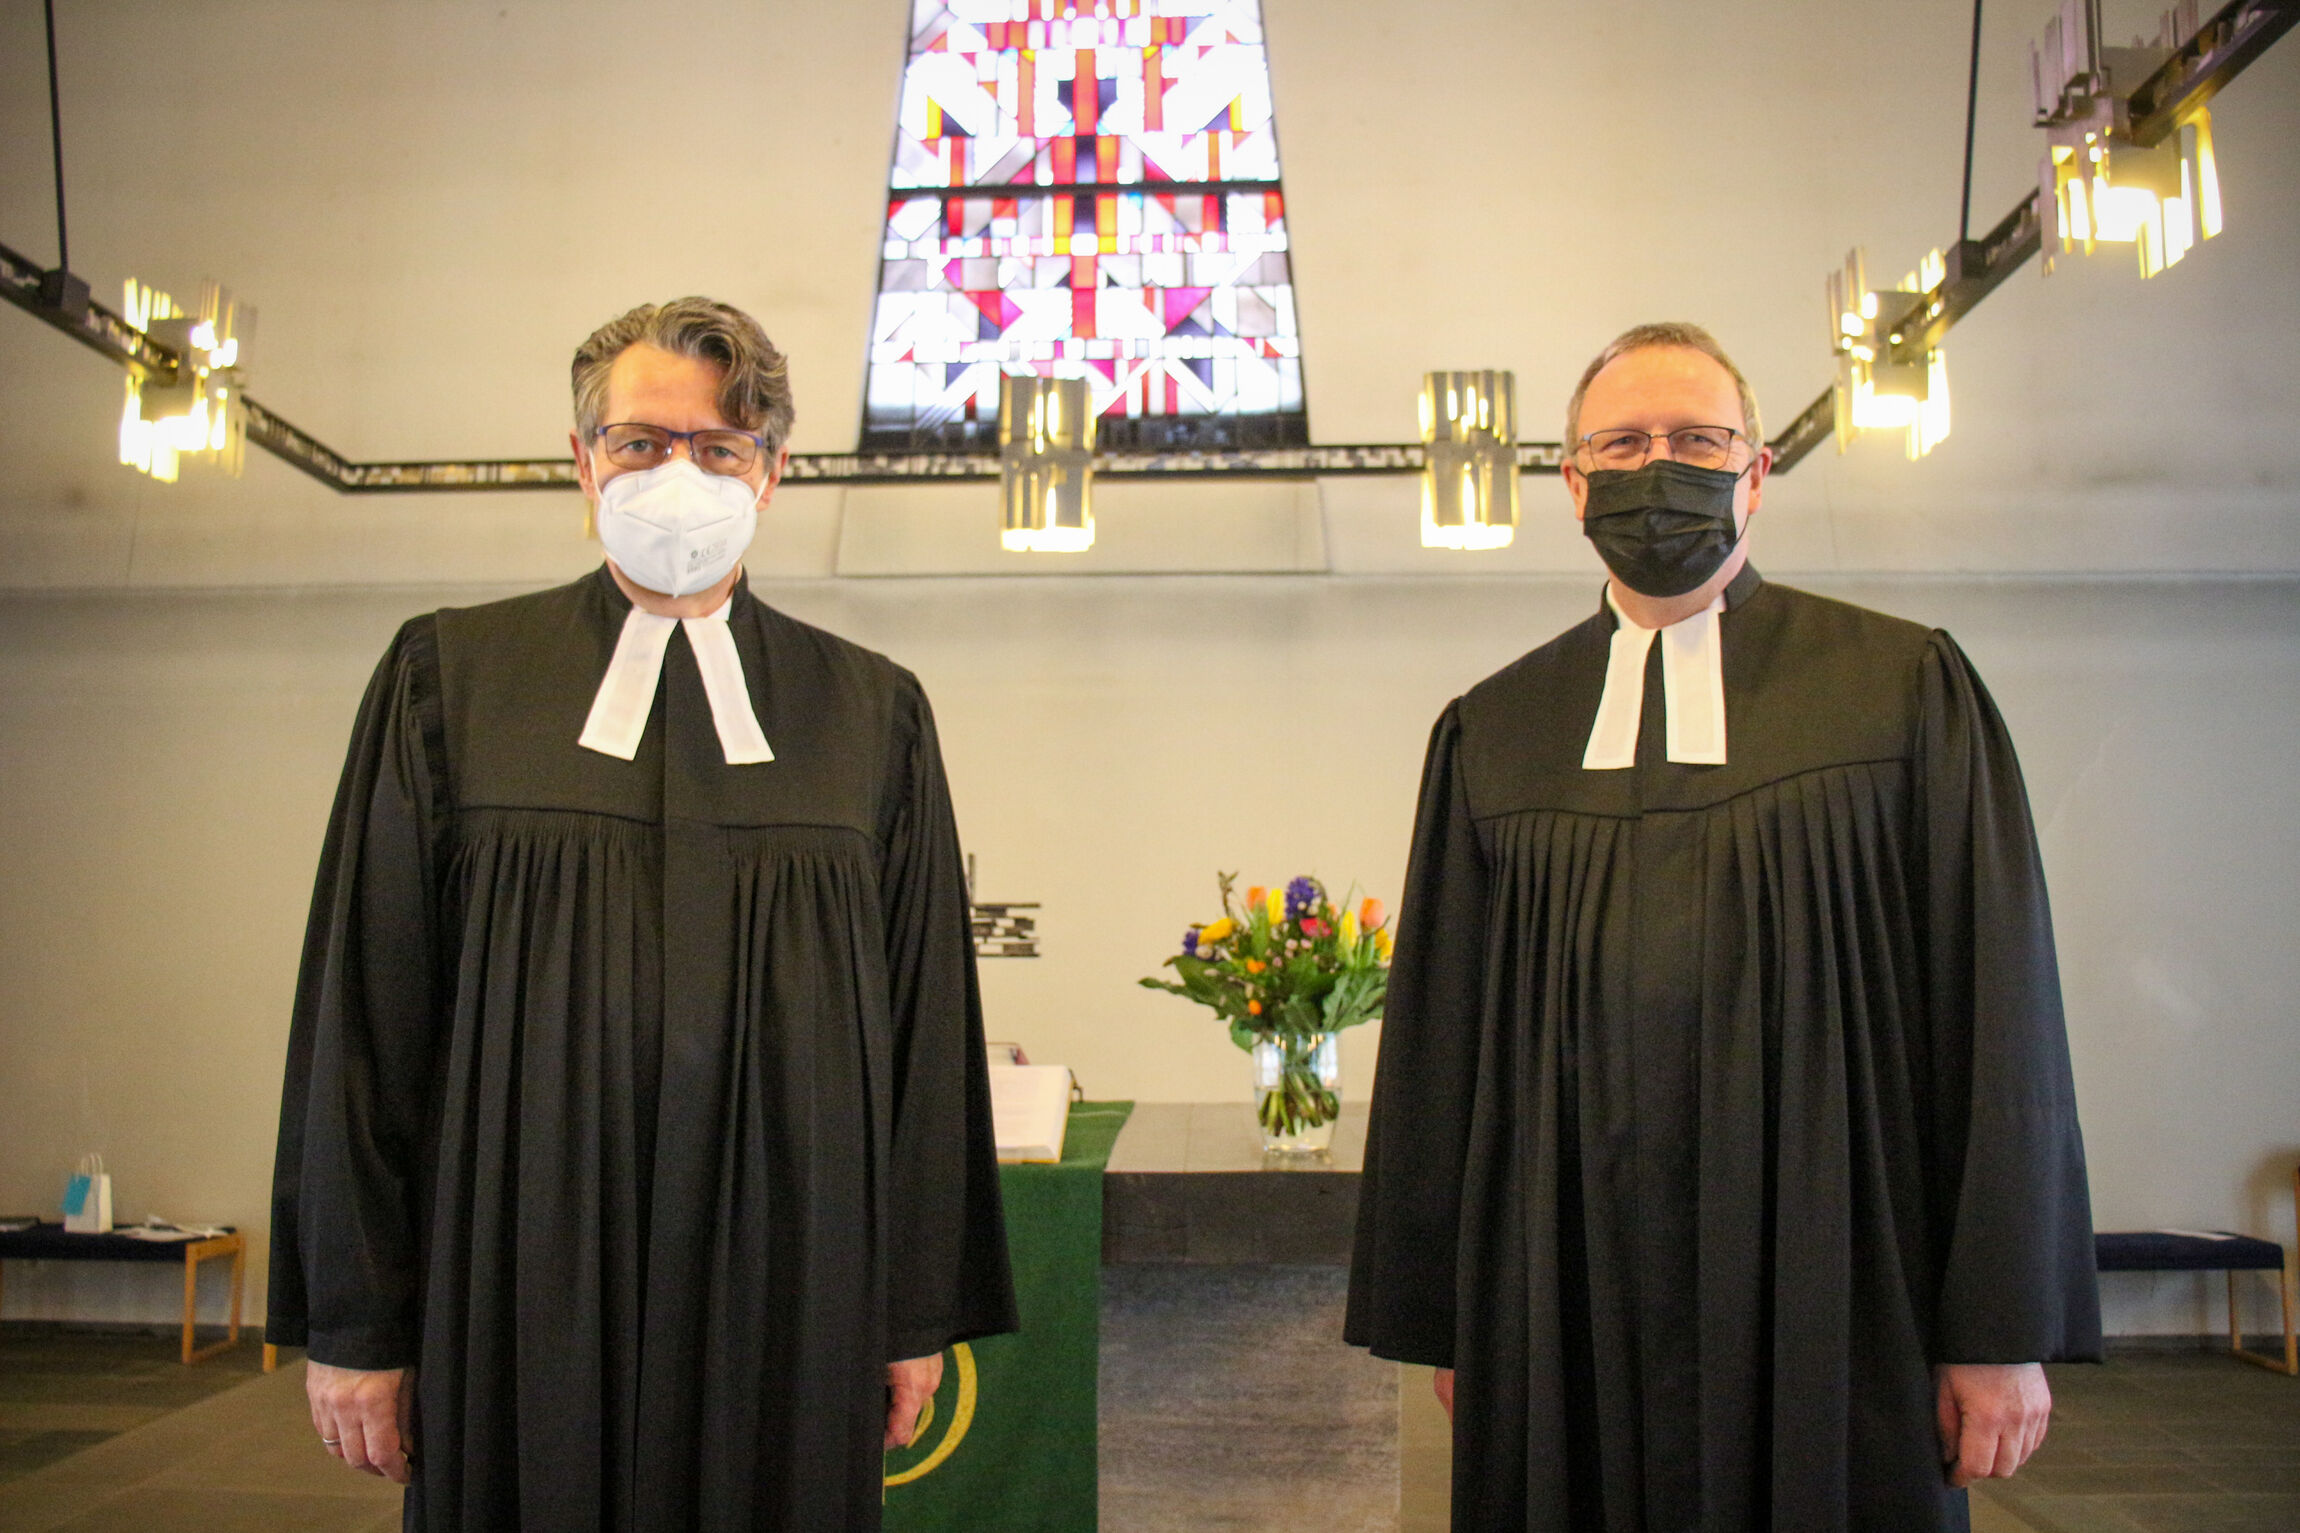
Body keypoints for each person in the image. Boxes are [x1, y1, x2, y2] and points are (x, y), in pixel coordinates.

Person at [267, 297, 1016, 1530]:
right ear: (581, 461)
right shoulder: (446, 678)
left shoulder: (869, 713)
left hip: (789, 1270)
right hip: (517, 1265)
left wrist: (910, 1313)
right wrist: (357, 1321)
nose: (680, 475)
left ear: (770, 475)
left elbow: (925, 1035)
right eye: (640, 442)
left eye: (719, 449)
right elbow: (366, 1013)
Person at [1345, 322, 2100, 1531]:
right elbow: (1444, 1048)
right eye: (1625, 442)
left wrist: (2001, 1330)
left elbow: (1999, 1013)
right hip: (1566, 1294)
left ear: (1754, 474)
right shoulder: (1495, 728)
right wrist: (1453, 1318)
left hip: (1840, 1279)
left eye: (1697, 439)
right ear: (1573, 483)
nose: (1661, 466)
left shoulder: (1898, 688)